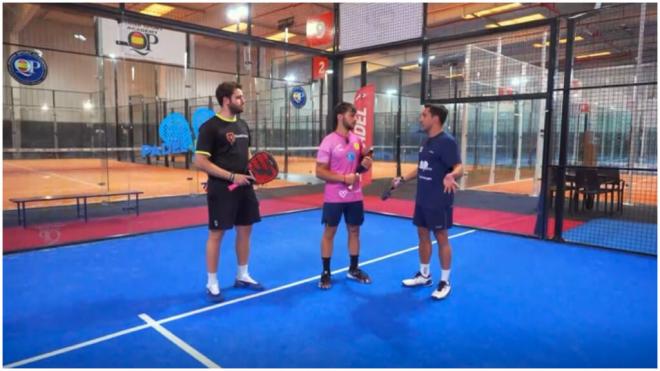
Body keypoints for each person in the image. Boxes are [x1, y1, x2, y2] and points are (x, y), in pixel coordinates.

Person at [194, 81, 263, 302]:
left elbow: (247, 154)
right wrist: (232, 177)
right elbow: (200, 161)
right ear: (226, 100)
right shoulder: (210, 127)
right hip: (222, 189)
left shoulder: (242, 125)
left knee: (245, 230)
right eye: (239, 97)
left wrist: (254, 174)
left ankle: (242, 275)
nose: (243, 100)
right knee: (217, 234)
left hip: (245, 188)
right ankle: (212, 282)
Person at [391, 104, 463, 300]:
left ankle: (445, 281)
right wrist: (403, 178)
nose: (420, 118)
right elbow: (421, 167)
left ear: (436, 118)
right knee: (422, 235)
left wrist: (452, 175)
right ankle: (424, 275)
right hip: (422, 198)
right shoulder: (426, 142)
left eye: (424, 115)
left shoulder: (447, 142)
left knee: (441, 237)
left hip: (439, 200)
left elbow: (459, 167)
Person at [315, 102, 373, 289]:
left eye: (356, 116)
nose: (355, 119)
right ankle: (325, 273)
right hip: (334, 197)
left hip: (355, 196)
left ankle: (354, 269)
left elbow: (361, 164)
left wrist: (367, 163)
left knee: (354, 230)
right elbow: (319, 172)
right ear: (340, 117)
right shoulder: (328, 141)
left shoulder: (356, 140)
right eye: (352, 115)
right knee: (330, 232)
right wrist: (343, 178)